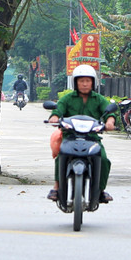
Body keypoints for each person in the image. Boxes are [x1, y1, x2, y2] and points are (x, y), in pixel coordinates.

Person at [47, 64, 116, 203]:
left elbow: (109, 112)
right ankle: (56, 187)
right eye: (81, 81)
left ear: (93, 83)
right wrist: (54, 117)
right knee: (62, 155)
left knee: (103, 159)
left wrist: (110, 121)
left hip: (92, 138)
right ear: (76, 83)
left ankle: (100, 190)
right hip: (70, 137)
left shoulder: (98, 99)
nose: (84, 84)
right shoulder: (67, 99)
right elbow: (58, 110)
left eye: (88, 81)